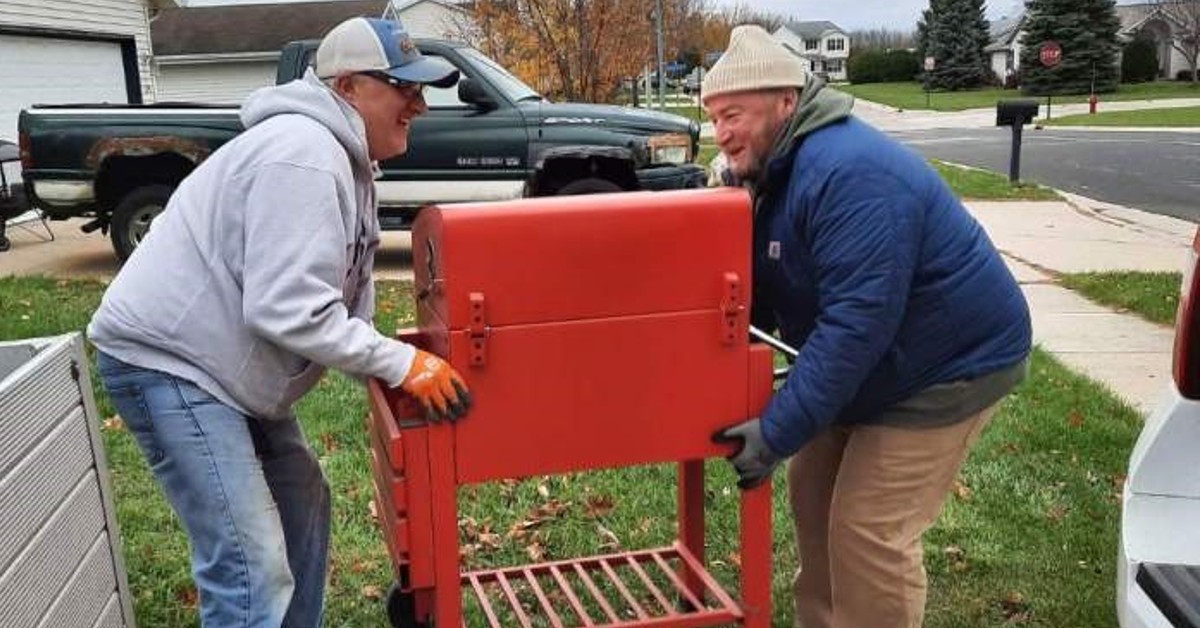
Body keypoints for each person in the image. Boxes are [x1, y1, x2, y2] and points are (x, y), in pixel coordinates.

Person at [88, 16, 471, 628]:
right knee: (250, 563)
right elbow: (286, 309)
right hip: (170, 363)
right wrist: (403, 363)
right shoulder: (305, 155)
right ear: (348, 88)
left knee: (302, 501)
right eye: (404, 87)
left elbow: (342, 293)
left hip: (217, 364)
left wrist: (385, 360)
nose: (418, 105)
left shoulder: (345, 157)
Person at [706, 25, 1031, 628]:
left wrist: (776, 430)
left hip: (947, 366)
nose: (721, 135)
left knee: (867, 531)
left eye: (734, 115)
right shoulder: (774, 171)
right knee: (813, 498)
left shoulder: (849, 174)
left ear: (785, 102)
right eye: (713, 118)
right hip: (878, 361)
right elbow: (765, 290)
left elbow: (856, 325)